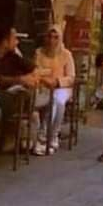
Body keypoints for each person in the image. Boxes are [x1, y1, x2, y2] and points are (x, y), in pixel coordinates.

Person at [0, 23, 39, 132]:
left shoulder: (11, 56)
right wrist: (20, 80)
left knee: (26, 97)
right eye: (14, 38)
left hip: (5, 95)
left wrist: (33, 76)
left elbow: (31, 67)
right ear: (5, 42)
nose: (17, 42)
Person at [32, 25, 75, 155]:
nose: (52, 40)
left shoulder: (66, 54)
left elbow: (71, 77)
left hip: (61, 87)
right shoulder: (39, 53)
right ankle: (44, 137)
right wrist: (45, 81)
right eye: (50, 37)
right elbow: (35, 71)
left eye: (56, 37)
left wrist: (57, 82)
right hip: (42, 86)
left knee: (58, 101)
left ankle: (49, 135)